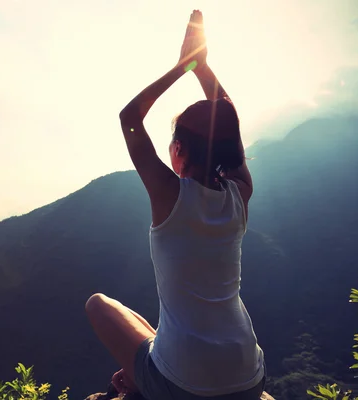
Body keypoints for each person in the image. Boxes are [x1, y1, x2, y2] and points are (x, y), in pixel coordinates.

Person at [85, 9, 266, 400]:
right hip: (250, 379)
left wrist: (182, 67)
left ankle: (143, 378)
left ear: (179, 149)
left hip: (185, 387)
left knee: (99, 304)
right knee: (153, 330)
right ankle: (146, 370)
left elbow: (129, 118)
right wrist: (203, 67)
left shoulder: (170, 194)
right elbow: (229, 120)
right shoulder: (239, 193)